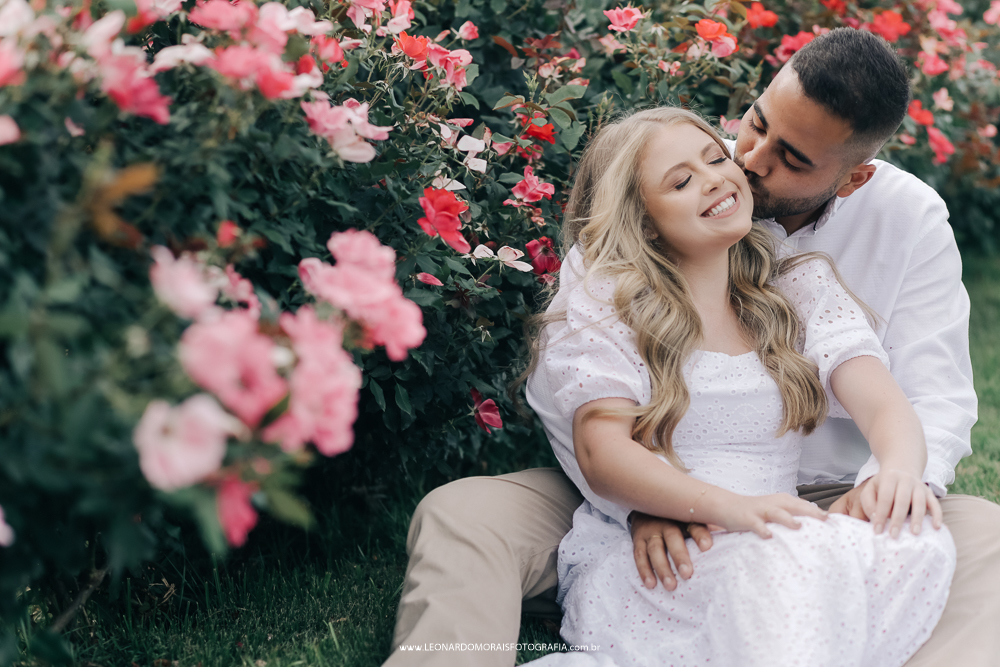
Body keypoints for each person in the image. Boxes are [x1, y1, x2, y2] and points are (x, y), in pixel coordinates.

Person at [385, 29, 1000, 667]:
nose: (751, 160)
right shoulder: (671, 167)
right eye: (755, 125)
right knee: (462, 512)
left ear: (852, 179)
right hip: (633, 485)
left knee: (982, 534)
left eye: (791, 158)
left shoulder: (879, 233)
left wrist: (889, 482)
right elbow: (578, 403)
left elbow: (929, 397)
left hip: (822, 495)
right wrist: (653, 500)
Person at [520, 105, 955, 666]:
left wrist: (896, 471)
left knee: (917, 541)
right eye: (680, 181)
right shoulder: (610, 301)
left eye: (713, 158)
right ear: (643, 218)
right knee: (781, 561)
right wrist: (730, 511)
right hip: (669, 550)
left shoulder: (796, 284)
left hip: (775, 530)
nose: (714, 179)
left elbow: (884, 405)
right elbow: (601, 452)